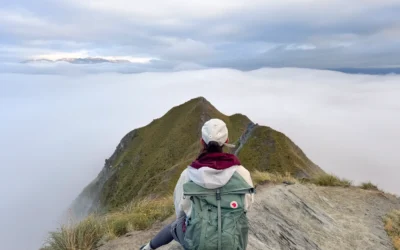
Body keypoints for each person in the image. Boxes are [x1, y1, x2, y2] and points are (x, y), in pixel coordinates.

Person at [140, 118, 255, 250]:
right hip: (233, 243)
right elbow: (247, 206)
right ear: (227, 141)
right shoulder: (242, 173)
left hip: (198, 244)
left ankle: (147, 248)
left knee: (175, 225)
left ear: (202, 142)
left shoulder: (188, 174)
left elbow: (181, 211)